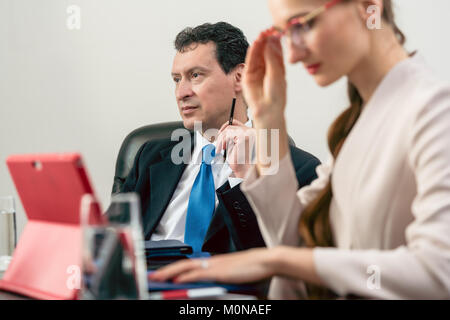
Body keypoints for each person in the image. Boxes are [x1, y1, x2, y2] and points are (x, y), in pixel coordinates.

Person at [150, 0, 450, 299]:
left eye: (303, 24)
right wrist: (270, 119)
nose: (292, 54)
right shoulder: (359, 123)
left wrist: (274, 260)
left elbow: (439, 274)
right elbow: (293, 241)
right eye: (284, 33)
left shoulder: (436, 112)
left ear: (369, 9)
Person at [116, 22, 320, 255]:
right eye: (176, 79)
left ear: (240, 78)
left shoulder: (299, 169)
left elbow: (272, 258)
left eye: (195, 75)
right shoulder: (149, 156)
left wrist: (241, 178)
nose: (181, 92)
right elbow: (109, 238)